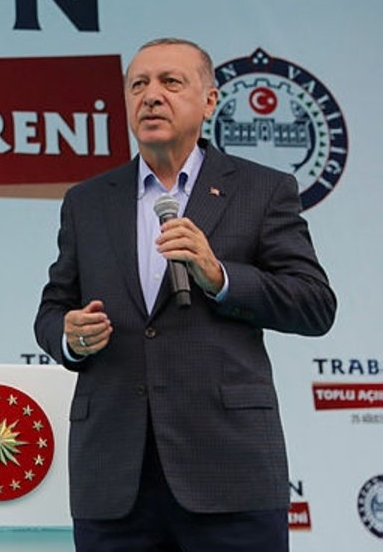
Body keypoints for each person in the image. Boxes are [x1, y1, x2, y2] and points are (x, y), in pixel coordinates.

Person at [34, 37, 336, 551]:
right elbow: (52, 309)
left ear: (210, 101)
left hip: (228, 472)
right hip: (114, 478)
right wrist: (69, 336)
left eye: (170, 82)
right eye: (138, 85)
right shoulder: (87, 201)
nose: (151, 96)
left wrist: (220, 276)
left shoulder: (262, 190)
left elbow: (314, 304)